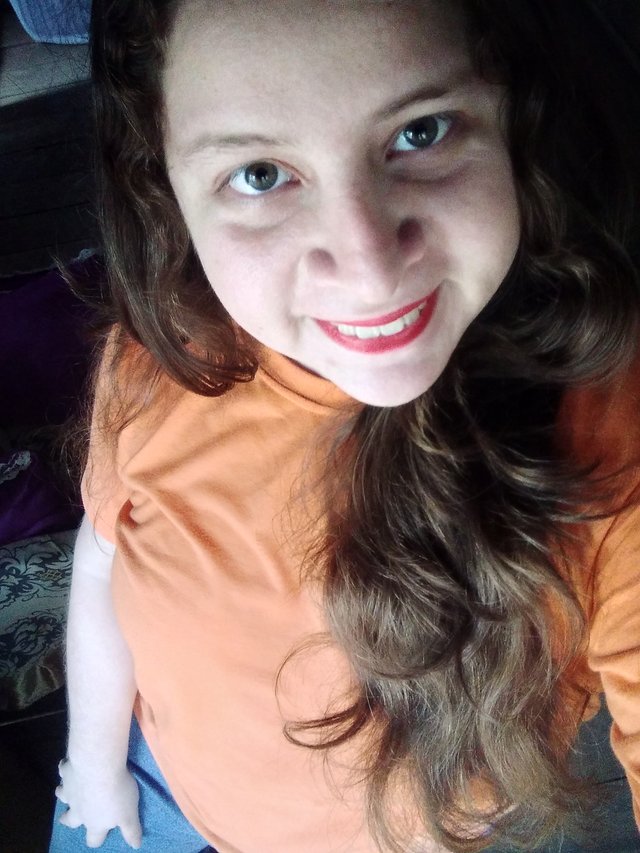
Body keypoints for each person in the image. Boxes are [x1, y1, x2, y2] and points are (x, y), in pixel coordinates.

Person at [48, 0, 640, 851]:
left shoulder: (610, 431)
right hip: (152, 786)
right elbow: (105, 555)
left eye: (421, 132)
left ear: (515, 117)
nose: (368, 268)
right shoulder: (162, 355)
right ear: (164, 186)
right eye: (260, 174)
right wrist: (94, 761)